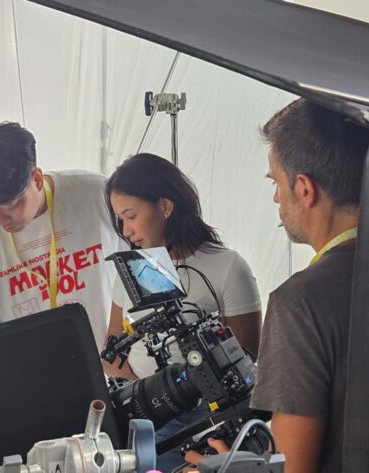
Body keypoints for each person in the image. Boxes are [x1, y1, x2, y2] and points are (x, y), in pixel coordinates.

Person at [185, 98, 369, 473]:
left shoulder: (299, 303)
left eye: (275, 181)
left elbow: (291, 468)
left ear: (305, 188)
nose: (275, 197)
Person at [103, 153, 263, 471]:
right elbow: (110, 357)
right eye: (120, 219)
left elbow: (246, 361)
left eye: (131, 215)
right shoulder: (132, 271)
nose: (126, 230)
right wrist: (151, 385)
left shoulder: (227, 267)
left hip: (205, 427)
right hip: (144, 417)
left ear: (165, 206)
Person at [0, 121, 125, 348]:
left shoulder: (97, 195)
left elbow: (144, 267)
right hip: (38, 374)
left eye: (11, 205)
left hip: (116, 364)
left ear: (37, 179)